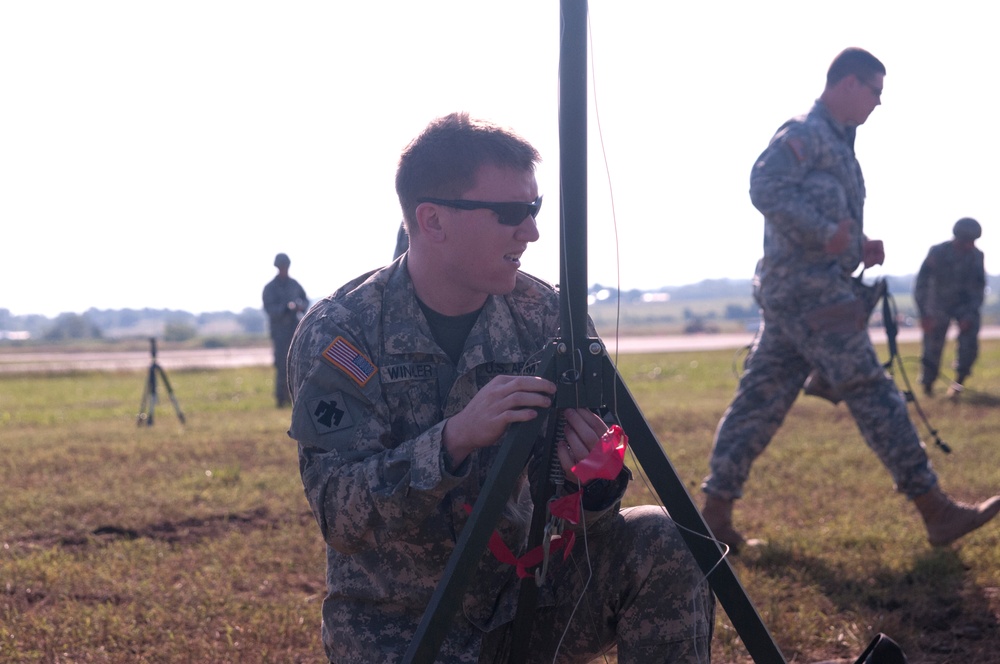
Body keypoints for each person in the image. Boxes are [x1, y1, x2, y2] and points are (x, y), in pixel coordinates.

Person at [287, 113, 714, 663]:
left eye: (534, 210)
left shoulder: (550, 319)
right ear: (433, 220)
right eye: (511, 213)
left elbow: (579, 512)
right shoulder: (343, 332)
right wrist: (453, 440)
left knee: (665, 539)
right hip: (402, 624)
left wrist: (594, 484)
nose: (531, 231)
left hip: (531, 601)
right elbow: (339, 515)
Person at [700, 48, 1000, 552]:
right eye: (875, 91)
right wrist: (826, 235)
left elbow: (817, 213)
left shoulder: (837, 141)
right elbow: (764, 185)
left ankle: (712, 519)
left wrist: (855, 244)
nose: (878, 103)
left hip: (798, 295)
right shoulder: (806, 133)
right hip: (811, 296)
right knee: (871, 390)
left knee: (757, 403)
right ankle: (936, 512)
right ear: (848, 84)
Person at [914, 217, 986, 398]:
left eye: (972, 242)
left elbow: (978, 288)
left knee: (969, 343)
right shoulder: (938, 252)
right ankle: (928, 386)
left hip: (964, 306)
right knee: (932, 346)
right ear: (957, 238)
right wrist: (924, 314)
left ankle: (958, 384)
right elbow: (921, 284)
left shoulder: (977, 256)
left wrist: (969, 315)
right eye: (966, 241)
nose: (970, 245)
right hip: (937, 305)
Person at [262, 253, 308, 407]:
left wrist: (300, 306)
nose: (284, 269)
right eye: (282, 267)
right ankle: (281, 399)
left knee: (297, 364)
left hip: (294, 331)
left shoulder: (294, 284)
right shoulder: (270, 288)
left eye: (286, 267)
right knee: (282, 366)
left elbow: (305, 300)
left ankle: (294, 397)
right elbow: (270, 309)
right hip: (280, 332)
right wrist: (285, 308)